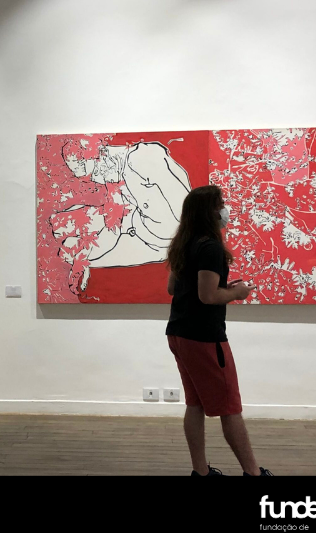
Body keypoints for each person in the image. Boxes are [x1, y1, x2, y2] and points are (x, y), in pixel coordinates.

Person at [165, 185, 273, 476]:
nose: (224, 210)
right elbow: (208, 296)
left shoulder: (183, 244)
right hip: (204, 337)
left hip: (178, 332)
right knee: (229, 407)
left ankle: (201, 472)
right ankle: (253, 473)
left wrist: (222, 288)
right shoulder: (211, 248)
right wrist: (237, 293)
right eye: (220, 204)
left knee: (195, 404)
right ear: (209, 212)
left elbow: (173, 288)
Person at [50, 139, 191, 294]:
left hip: (160, 239)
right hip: (145, 232)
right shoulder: (119, 176)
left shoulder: (141, 158)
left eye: (94, 173)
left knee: (71, 246)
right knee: (67, 244)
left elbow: (182, 201)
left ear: (101, 156)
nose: (97, 179)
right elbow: (114, 224)